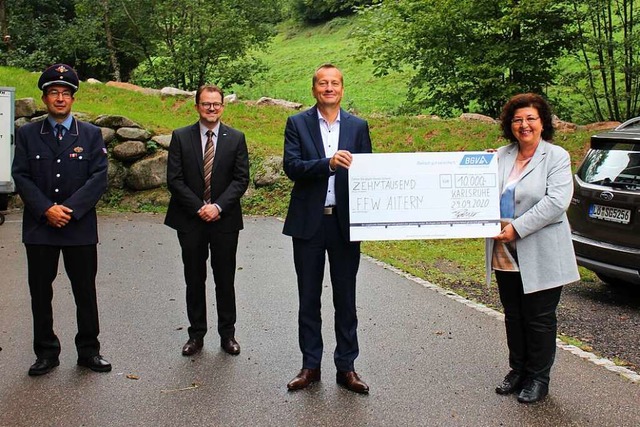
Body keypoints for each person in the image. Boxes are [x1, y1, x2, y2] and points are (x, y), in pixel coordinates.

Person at [12, 63, 111, 376]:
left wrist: (69, 209)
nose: (59, 98)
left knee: (85, 291)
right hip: (41, 228)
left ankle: (89, 351)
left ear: (73, 99)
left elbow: (98, 177)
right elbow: (21, 175)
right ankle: (46, 352)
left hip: (79, 227)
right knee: (40, 292)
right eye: (53, 92)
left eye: (65, 93)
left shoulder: (92, 135)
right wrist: (46, 210)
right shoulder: (27, 134)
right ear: (44, 99)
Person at [282, 64, 373, 394]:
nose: (329, 88)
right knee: (308, 298)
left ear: (343, 89)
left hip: (345, 223)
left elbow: (367, 173)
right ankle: (310, 366)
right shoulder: (297, 124)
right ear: (314, 89)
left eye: (334, 83)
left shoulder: (358, 126)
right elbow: (292, 167)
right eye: (323, 83)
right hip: (309, 223)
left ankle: (346, 367)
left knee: (346, 299)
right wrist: (328, 164)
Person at [486, 93, 580, 403]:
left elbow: (556, 203)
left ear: (543, 123)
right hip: (503, 249)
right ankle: (518, 370)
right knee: (513, 314)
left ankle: (539, 378)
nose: (524, 125)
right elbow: (478, 190)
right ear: (509, 124)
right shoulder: (499, 155)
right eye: (517, 119)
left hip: (539, 248)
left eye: (530, 119)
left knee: (539, 317)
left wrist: (517, 228)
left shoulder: (556, 157)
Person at [165, 84, 249, 357]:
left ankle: (228, 335)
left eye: (216, 104)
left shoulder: (236, 138)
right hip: (190, 220)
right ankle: (196, 335)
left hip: (224, 220)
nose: (211, 108)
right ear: (197, 106)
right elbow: (174, 179)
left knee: (224, 279)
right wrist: (199, 207)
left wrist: (218, 207)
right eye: (205, 104)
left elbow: (241, 179)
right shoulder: (180, 136)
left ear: (223, 106)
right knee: (194, 278)